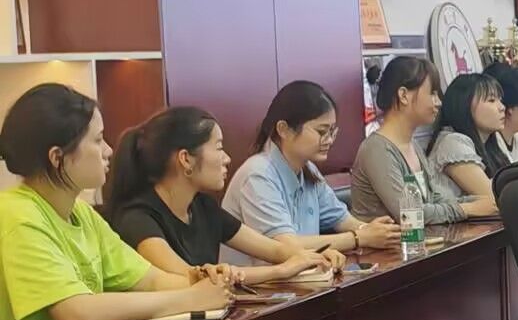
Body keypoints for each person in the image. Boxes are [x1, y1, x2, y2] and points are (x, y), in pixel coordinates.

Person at [0, 83, 230, 320]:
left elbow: (150, 280)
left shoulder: (82, 213)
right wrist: (190, 298)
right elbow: (77, 312)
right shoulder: (17, 215)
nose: (109, 150)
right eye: (98, 140)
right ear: (57, 157)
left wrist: (200, 281)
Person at [105, 106, 342, 285]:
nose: (227, 158)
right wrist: (279, 271)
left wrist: (315, 257)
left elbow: (275, 250)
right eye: (219, 148)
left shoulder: (203, 206)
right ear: (185, 159)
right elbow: (190, 277)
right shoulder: (137, 218)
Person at [223, 81, 402, 258]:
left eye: (332, 132)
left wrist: (373, 231)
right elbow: (287, 246)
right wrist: (359, 238)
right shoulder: (257, 175)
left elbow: (341, 219)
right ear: (284, 130)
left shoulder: (309, 169)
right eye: (322, 132)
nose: (329, 140)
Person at [350, 56, 494, 226]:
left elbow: (435, 199)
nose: (438, 102)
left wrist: (483, 202)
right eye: (432, 93)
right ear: (404, 95)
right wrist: (467, 209)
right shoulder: (377, 149)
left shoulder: (413, 145)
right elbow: (410, 214)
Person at [424, 71, 509, 212]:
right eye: (491, 100)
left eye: (500, 100)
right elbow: (494, 199)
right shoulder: (452, 142)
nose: (502, 107)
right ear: (464, 105)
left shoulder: (491, 142)